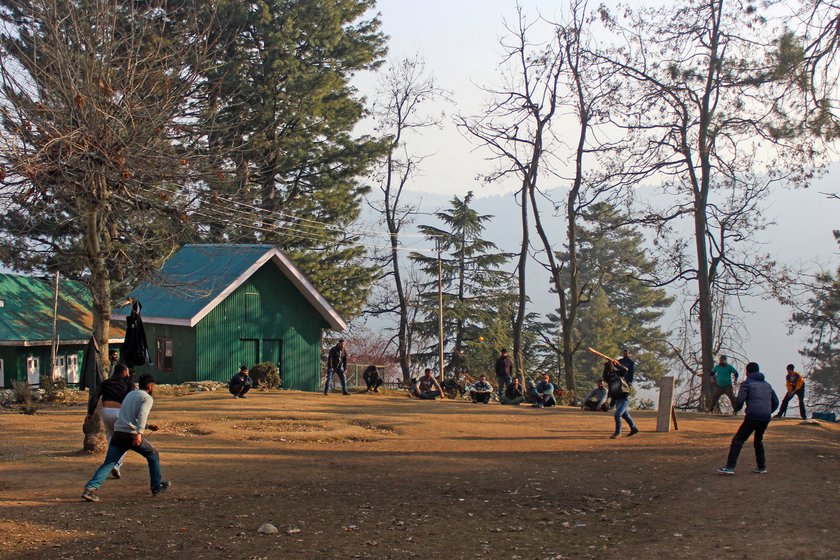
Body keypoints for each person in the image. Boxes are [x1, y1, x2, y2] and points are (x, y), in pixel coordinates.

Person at [81, 374, 170, 502]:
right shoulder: (147, 398)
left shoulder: (130, 395)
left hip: (118, 433)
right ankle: (156, 486)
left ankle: (90, 489)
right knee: (153, 454)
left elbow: (127, 416)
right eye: (153, 386)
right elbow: (142, 414)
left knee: (109, 462)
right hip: (131, 435)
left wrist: (148, 426)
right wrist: (139, 433)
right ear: (150, 386)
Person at [718, 362, 779, 475]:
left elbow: (740, 401)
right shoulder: (767, 385)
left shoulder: (747, 384)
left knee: (738, 440)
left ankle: (730, 467)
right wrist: (768, 411)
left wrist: (736, 408)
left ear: (747, 372)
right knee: (758, 440)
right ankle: (762, 467)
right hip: (765, 417)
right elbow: (776, 402)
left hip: (753, 416)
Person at [86, 363, 135, 479]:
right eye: (127, 372)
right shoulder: (128, 383)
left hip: (106, 412)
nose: (128, 374)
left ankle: (111, 463)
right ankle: (116, 464)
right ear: (124, 372)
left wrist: (90, 413)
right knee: (125, 440)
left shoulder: (106, 382)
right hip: (120, 412)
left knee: (111, 439)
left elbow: (95, 396)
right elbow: (132, 397)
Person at [603, 359, 639, 438]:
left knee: (617, 415)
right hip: (618, 399)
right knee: (624, 415)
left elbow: (625, 369)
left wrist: (616, 363)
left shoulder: (619, 373)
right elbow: (605, 376)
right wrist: (607, 366)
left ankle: (618, 432)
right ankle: (634, 428)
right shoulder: (609, 378)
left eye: (610, 367)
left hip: (624, 397)